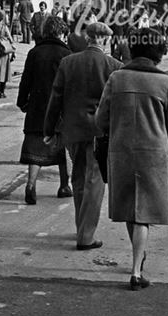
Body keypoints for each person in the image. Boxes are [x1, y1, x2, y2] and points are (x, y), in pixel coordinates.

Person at [96, 28, 168, 290]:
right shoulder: (165, 83)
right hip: (154, 153)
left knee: (129, 208)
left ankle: (137, 253)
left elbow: (101, 119)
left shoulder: (116, 79)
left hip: (121, 150)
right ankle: (136, 270)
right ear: (158, 52)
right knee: (143, 212)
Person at [43, 22, 121, 250]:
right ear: (105, 40)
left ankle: (81, 227)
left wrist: (49, 130)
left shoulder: (68, 62)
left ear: (88, 39)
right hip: (100, 132)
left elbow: (55, 98)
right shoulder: (114, 65)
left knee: (78, 178)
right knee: (95, 182)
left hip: (73, 129)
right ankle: (86, 236)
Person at [16, 16, 73, 204]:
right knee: (62, 148)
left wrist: (22, 102)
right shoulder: (67, 54)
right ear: (61, 32)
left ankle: (31, 185)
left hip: (37, 107)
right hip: (60, 110)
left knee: (35, 147)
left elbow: (26, 81)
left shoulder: (35, 52)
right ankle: (65, 186)